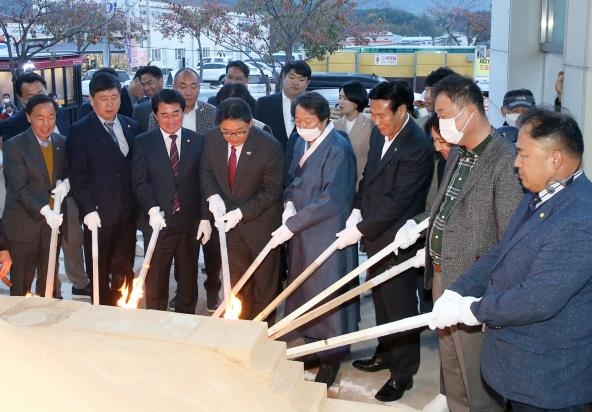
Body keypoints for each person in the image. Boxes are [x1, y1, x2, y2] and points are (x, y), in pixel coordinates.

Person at [430, 108, 592, 412]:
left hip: (547, 380)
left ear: (555, 159)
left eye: (523, 154)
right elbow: (500, 251)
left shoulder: (580, 218)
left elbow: (537, 298)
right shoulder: (540, 194)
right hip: (518, 368)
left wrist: (474, 310)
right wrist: (457, 290)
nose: (516, 163)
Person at [425, 74, 524, 411]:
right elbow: (447, 207)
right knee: (452, 373)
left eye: (443, 113)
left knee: (477, 379)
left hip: (472, 289)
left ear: (468, 110)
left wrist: (486, 298)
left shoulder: (506, 161)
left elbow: (509, 242)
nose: (440, 123)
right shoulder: (458, 154)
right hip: (443, 277)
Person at [335, 80, 435, 402]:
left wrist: (360, 229)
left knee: (401, 307)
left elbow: (400, 202)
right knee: (380, 300)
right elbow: (369, 178)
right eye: (372, 114)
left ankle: (403, 372)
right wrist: (356, 209)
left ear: (402, 110)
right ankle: (385, 352)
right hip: (375, 232)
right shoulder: (381, 132)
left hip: (398, 239)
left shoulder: (417, 146)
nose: (376, 121)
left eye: (381, 115)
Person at [270, 91, 358, 388]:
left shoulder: (338, 148)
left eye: (308, 121)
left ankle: (332, 358)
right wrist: (288, 204)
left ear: (323, 119)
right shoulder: (299, 140)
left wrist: (293, 223)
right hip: (301, 230)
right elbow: (292, 177)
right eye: (298, 120)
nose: (302, 125)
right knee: (302, 290)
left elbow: (332, 199)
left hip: (326, 232)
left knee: (327, 295)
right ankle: (311, 344)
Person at [200, 97, 283, 320]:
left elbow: (272, 191)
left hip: (261, 227)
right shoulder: (211, 140)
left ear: (250, 123)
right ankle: (240, 329)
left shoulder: (269, 146)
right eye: (226, 132)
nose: (233, 138)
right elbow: (206, 173)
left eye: (240, 132)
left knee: (264, 286)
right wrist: (213, 196)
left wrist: (241, 213)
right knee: (236, 283)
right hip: (230, 229)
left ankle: (263, 332)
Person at [132, 89, 211, 313]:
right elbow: (140, 182)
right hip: (158, 223)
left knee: (188, 279)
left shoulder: (197, 141)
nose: (171, 120)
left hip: (189, 222)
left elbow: (205, 182)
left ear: (183, 112)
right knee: (156, 279)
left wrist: (205, 217)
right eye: (164, 115)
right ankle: (157, 326)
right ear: (155, 116)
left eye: (175, 113)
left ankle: (186, 323)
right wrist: (152, 209)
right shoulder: (143, 142)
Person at [67, 72, 141, 306]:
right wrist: (88, 210)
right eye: (103, 98)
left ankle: (123, 308)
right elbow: (77, 177)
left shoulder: (132, 125)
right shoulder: (80, 131)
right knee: (98, 270)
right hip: (97, 215)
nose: (109, 104)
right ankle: (100, 312)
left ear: (120, 98)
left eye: (114, 97)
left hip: (128, 214)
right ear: (92, 100)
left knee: (125, 266)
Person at [2, 95, 68, 297]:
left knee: (50, 281)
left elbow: (67, 174)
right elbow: (19, 188)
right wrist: (45, 210)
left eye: (51, 117)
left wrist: (67, 183)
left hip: (52, 225)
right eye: (40, 117)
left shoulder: (61, 142)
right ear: (29, 117)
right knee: (22, 283)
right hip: (23, 225)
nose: (46, 123)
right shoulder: (14, 146)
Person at [254, 60, 311, 156]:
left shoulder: (313, 108)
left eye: (301, 80)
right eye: (292, 77)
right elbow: (255, 134)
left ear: (308, 83)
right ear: (284, 77)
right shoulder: (264, 104)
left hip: (303, 165)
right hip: (270, 163)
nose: (296, 83)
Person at [1, 72, 70, 141]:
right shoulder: (12, 125)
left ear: (47, 91)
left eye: (41, 94)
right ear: (21, 100)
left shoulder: (59, 112)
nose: (38, 99)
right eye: (31, 97)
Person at [334, 80, 372, 188]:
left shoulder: (370, 125)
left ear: (356, 101)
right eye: (340, 97)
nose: (340, 102)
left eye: (345, 98)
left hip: (361, 184)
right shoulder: (334, 126)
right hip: (338, 185)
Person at [133, 65, 164, 132]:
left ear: (160, 81)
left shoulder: (176, 104)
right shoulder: (139, 110)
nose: (146, 88)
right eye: (143, 85)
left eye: (150, 83)